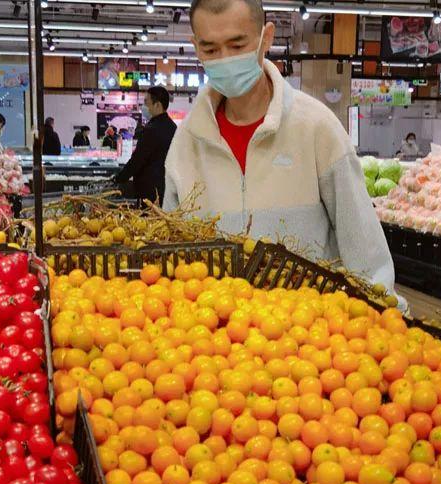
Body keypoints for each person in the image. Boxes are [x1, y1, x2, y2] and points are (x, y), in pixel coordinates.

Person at [163, 0, 394, 290]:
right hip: (216, 327)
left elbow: (366, 253)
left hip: (308, 327)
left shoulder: (317, 129)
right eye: (211, 50)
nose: (225, 59)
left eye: (237, 46)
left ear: (266, 38)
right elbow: (173, 258)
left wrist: (382, 317)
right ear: (196, 47)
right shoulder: (186, 144)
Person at [115, 86, 177, 205]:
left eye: (146, 102)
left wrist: (119, 178)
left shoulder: (151, 129)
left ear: (157, 105)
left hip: (149, 192)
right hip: (165, 188)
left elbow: (138, 160)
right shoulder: (172, 127)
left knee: (147, 222)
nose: (143, 107)